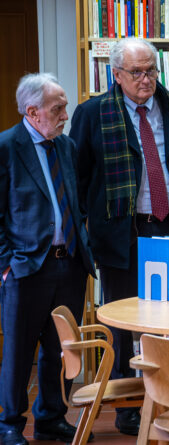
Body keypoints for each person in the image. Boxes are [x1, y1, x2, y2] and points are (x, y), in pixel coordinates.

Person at [70, 37, 169, 436]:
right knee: (125, 318)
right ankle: (129, 405)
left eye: (152, 71)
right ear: (117, 74)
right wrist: (96, 224)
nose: (147, 80)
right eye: (137, 73)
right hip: (123, 230)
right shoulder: (92, 114)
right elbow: (80, 177)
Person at [0, 73, 95, 445]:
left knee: (61, 348)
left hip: (69, 263)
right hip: (25, 268)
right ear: (32, 111)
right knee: (20, 351)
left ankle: (51, 417)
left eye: (65, 106)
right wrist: (6, 264)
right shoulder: (7, 147)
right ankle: (9, 424)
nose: (65, 114)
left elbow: (75, 200)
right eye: (58, 108)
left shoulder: (66, 147)